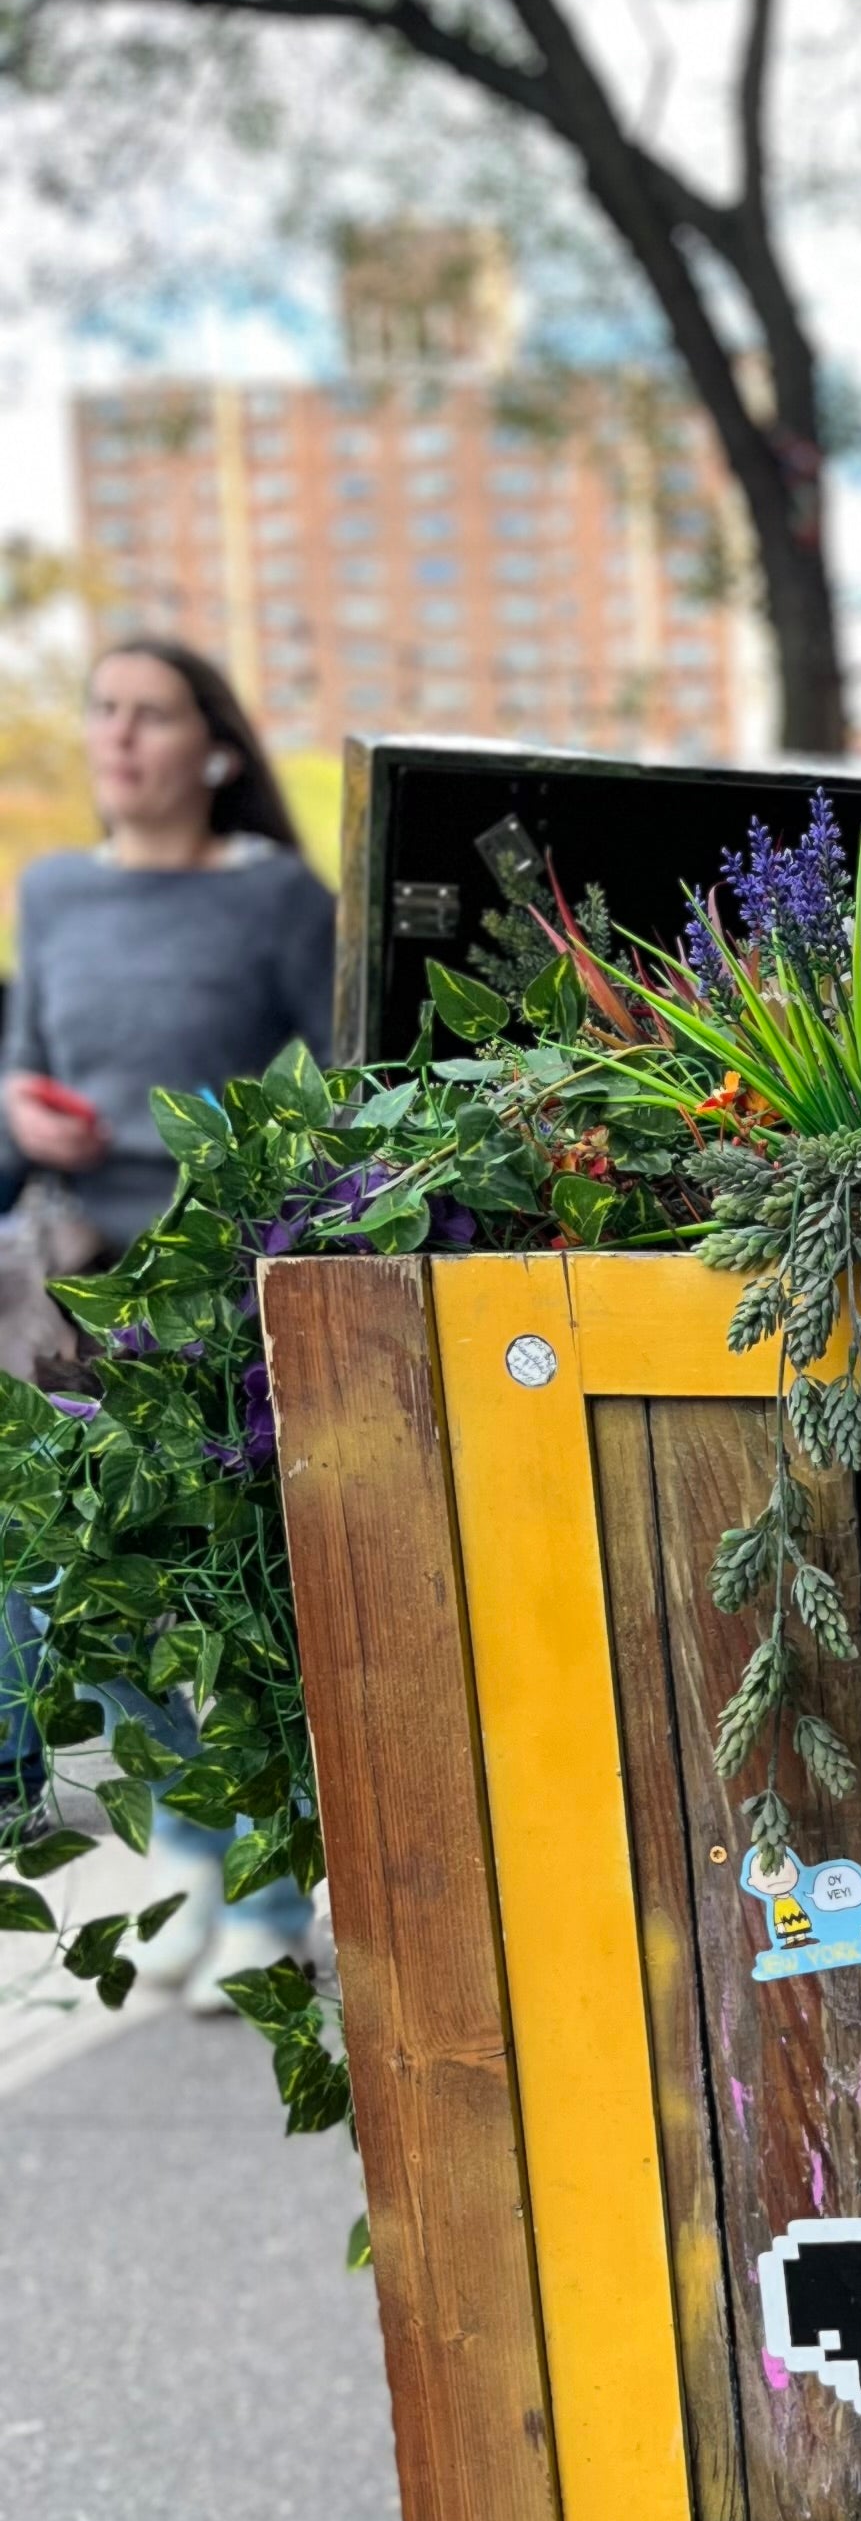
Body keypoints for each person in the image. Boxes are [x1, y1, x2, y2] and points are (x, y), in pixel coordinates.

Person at [0, 639, 333, 2007]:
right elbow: (23, 1060)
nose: (120, 736)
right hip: (69, 1287)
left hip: (211, 1293)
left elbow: (343, 1081)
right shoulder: (54, 891)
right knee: (77, 1590)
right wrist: (21, 1111)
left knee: (222, 1599)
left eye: (152, 714)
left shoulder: (279, 902)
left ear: (214, 747)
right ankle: (194, 1851)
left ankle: (266, 1880)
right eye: (105, 710)